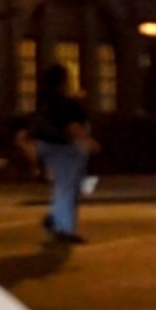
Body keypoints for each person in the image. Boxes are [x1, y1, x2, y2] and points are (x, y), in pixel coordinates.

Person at [25, 63, 93, 243]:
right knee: (67, 188)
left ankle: (55, 218)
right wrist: (87, 141)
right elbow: (72, 125)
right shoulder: (63, 102)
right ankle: (63, 228)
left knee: (66, 187)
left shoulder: (44, 100)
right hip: (64, 148)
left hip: (48, 146)